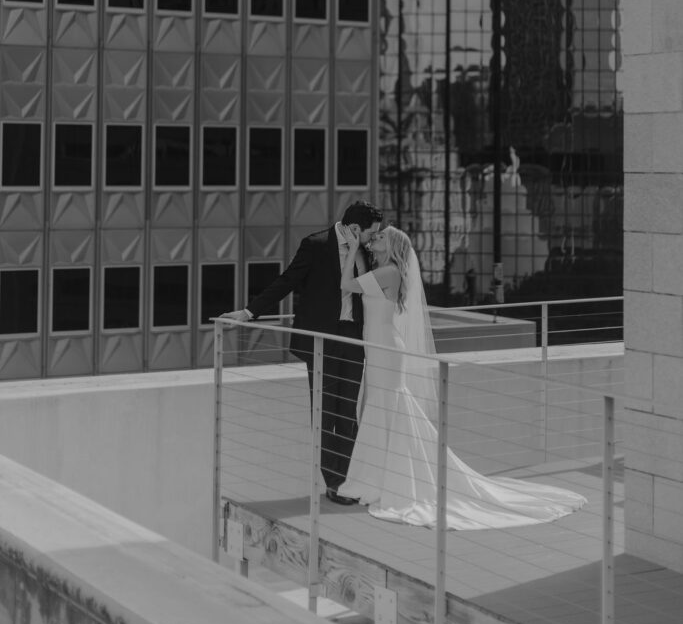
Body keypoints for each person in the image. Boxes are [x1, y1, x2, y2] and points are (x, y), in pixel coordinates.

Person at [335, 225, 587, 529]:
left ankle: (384, 479)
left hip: (386, 349)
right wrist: (357, 250)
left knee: (388, 407)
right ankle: (378, 476)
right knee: (383, 408)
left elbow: (346, 283)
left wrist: (350, 251)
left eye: (381, 237)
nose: (376, 240)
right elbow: (360, 279)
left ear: (393, 247)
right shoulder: (383, 270)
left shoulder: (389, 272)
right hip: (378, 348)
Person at [222, 200, 383, 504]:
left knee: (347, 410)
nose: (373, 238)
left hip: (353, 337)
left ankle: (349, 479)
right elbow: (287, 281)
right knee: (324, 413)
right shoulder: (316, 245)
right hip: (321, 339)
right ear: (353, 228)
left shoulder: (366, 250)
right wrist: (248, 312)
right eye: (370, 233)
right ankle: (333, 483)